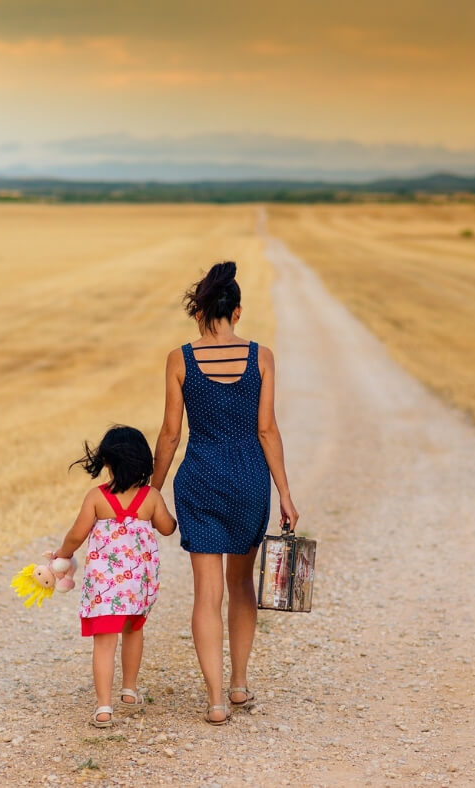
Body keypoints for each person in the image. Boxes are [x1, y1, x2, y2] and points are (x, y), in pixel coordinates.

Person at [151, 261, 299, 725]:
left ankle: (214, 701)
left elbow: (170, 435)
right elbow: (267, 430)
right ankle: (238, 684)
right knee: (240, 586)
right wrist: (285, 494)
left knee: (205, 595)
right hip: (248, 481)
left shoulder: (180, 360)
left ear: (199, 313)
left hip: (199, 479)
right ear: (237, 312)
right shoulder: (261, 357)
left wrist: (151, 493)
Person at [53, 425, 177, 728]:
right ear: (145, 462)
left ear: (106, 462)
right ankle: (129, 690)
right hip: (137, 587)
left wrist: (62, 555)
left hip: (104, 589)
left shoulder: (97, 497)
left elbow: (77, 534)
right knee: (134, 632)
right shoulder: (151, 498)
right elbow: (167, 528)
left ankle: (104, 707)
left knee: (104, 643)